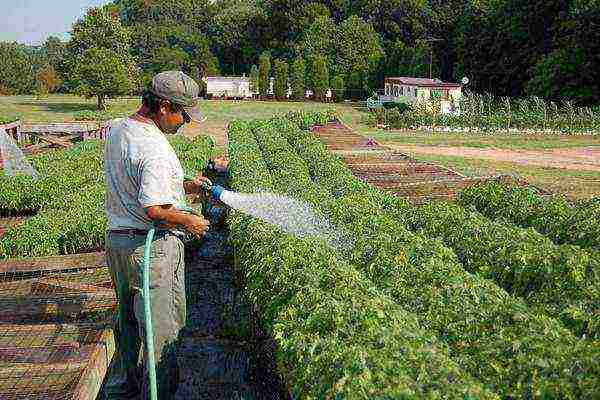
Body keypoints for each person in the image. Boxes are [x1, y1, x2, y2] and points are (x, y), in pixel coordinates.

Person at [104, 70, 211, 399]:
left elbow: (139, 185)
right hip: (149, 252)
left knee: (129, 330)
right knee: (161, 336)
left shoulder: (120, 129)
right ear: (164, 107)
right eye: (183, 113)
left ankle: (123, 391)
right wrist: (190, 222)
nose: (185, 121)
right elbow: (155, 211)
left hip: (119, 244)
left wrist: (184, 187)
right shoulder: (156, 149)